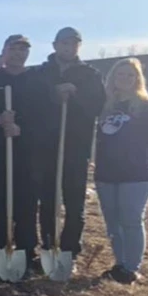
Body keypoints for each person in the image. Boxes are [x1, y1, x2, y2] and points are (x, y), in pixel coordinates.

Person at [0, 35, 47, 275]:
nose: (18, 53)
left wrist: (21, 129)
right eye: (13, 49)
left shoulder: (37, 82)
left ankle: (26, 251)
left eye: (23, 49)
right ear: (4, 52)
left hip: (27, 156)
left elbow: (46, 120)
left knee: (26, 205)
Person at [34, 27, 106, 260]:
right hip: (46, 147)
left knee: (75, 203)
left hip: (76, 147)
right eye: (64, 43)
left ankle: (69, 250)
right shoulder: (41, 73)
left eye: (74, 44)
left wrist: (75, 94)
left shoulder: (90, 74)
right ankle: (48, 245)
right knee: (48, 200)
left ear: (78, 47)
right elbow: (31, 103)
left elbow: (97, 106)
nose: (69, 47)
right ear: (55, 45)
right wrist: (54, 94)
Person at [94, 58, 148, 284]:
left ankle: (131, 267)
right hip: (107, 173)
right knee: (113, 221)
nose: (124, 79)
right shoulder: (106, 106)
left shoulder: (147, 106)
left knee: (131, 219)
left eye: (130, 75)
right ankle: (120, 263)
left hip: (136, 175)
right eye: (120, 75)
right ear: (112, 78)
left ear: (137, 79)